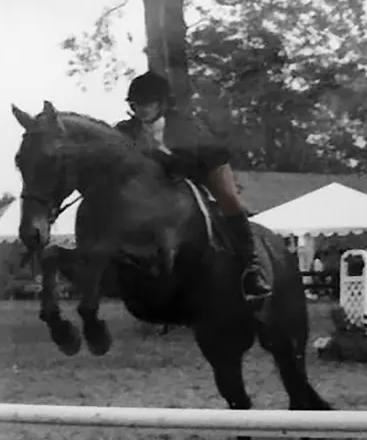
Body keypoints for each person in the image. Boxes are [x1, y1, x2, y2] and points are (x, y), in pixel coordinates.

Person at [114, 70, 272, 301]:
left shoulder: (185, 127)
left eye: (147, 104)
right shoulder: (125, 130)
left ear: (161, 104)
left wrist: (155, 153)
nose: (141, 109)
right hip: (158, 179)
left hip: (204, 165)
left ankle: (252, 267)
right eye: (136, 104)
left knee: (227, 198)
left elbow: (184, 166)